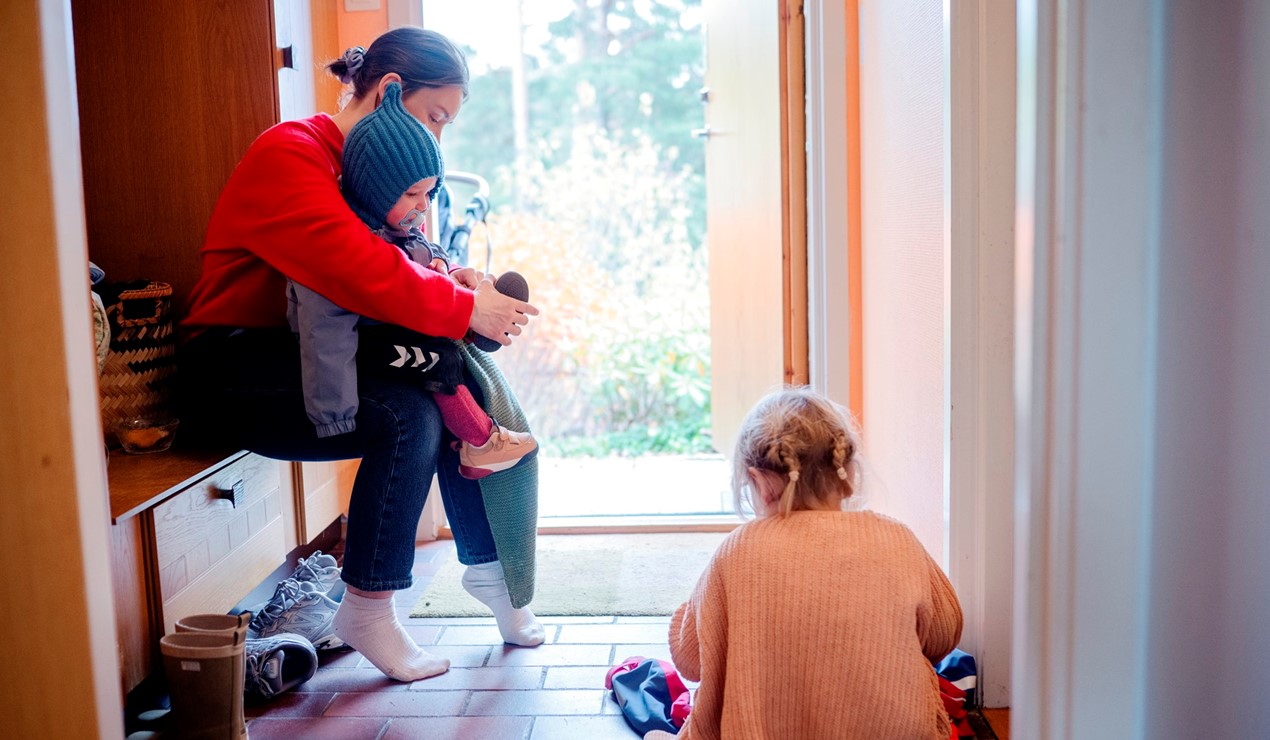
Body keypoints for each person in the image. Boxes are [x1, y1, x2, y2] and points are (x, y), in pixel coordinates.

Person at [179, 28, 546, 684]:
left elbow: (396, 260)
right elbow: (355, 266)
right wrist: (466, 310)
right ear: (388, 91)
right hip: (233, 369)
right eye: (434, 116)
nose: (437, 137)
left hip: (301, 359)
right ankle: (371, 608)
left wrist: (450, 279)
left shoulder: (367, 171)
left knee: (445, 379)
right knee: (411, 413)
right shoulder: (291, 153)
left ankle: (491, 574)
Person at [646, 388, 963, 740]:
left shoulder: (737, 552)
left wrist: (690, 612)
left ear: (760, 481)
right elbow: (944, 634)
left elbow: (691, 659)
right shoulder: (897, 538)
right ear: (847, 473)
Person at [287, 78, 538, 480]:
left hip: (392, 328)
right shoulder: (342, 246)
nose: (422, 207)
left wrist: (452, 273)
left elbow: (424, 255)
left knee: (446, 340)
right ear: (376, 190)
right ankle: (480, 441)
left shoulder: (398, 230)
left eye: (428, 195)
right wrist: (334, 416)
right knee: (437, 360)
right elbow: (323, 333)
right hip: (364, 346)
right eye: (411, 196)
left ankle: (475, 329)